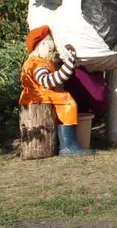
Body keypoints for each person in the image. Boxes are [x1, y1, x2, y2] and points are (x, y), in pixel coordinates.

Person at [20, 25, 94, 156]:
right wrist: (69, 63)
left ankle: (67, 143)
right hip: (39, 96)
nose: (52, 49)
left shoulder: (34, 61)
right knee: (67, 101)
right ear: (41, 45)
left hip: (34, 95)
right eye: (49, 46)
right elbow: (47, 81)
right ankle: (68, 145)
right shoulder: (38, 63)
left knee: (64, 97)